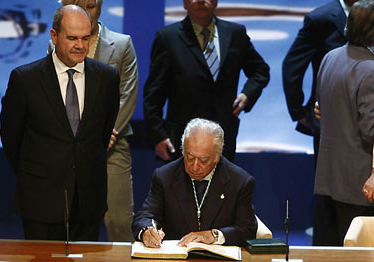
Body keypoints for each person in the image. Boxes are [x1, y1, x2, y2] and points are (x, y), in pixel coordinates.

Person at [0, 5, 120, 241]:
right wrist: (39, 173)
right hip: (40, 200)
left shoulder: (107, 78)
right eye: (72, 38)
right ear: (54, 36)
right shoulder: (25, 79)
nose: (81, 46)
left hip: (88, 201)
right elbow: (11, 139)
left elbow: (102, 133)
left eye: (86, 38)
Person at [52, 0, 138, 242]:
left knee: (120, 222)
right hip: (69, 148)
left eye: (90, 5)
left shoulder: (121, 44)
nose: (85, 12)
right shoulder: (56, 43)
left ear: (100, 5)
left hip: (112, 145)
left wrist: (104, 135)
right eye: (77, 5)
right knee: (70, 221)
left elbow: (127, 95)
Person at [143, 0, 270, 163]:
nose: (201, 0)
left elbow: (260, 70)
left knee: (221, 187)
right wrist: (157, 136)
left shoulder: (235, 33)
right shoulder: (168, 37)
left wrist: (247, 95)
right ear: (184, 4)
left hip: (223, 133)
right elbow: (154, 93)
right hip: (182, 136)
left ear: (216, 1)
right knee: (182, 188)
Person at [132, 118, 257, 247]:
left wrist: (214, 235)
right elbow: (144, 216)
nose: (195, 167)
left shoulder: (240, 181)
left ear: (217, 156)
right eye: (189, 158)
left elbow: (247, 230)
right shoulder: (165, 176)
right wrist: (147, 231)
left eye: (203, 160)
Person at [314, 0, 374, 246]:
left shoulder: (330, 57)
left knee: (332, 251)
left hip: (329, 178)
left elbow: (322, 109)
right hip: (361, 184)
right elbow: (371, 130)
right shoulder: (370, 69)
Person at [282, 0, 358, 164]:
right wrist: (298, 111)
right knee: (332, 184)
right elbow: (293, 65)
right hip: (329, 115)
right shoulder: (319, 19)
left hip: (368, 113)